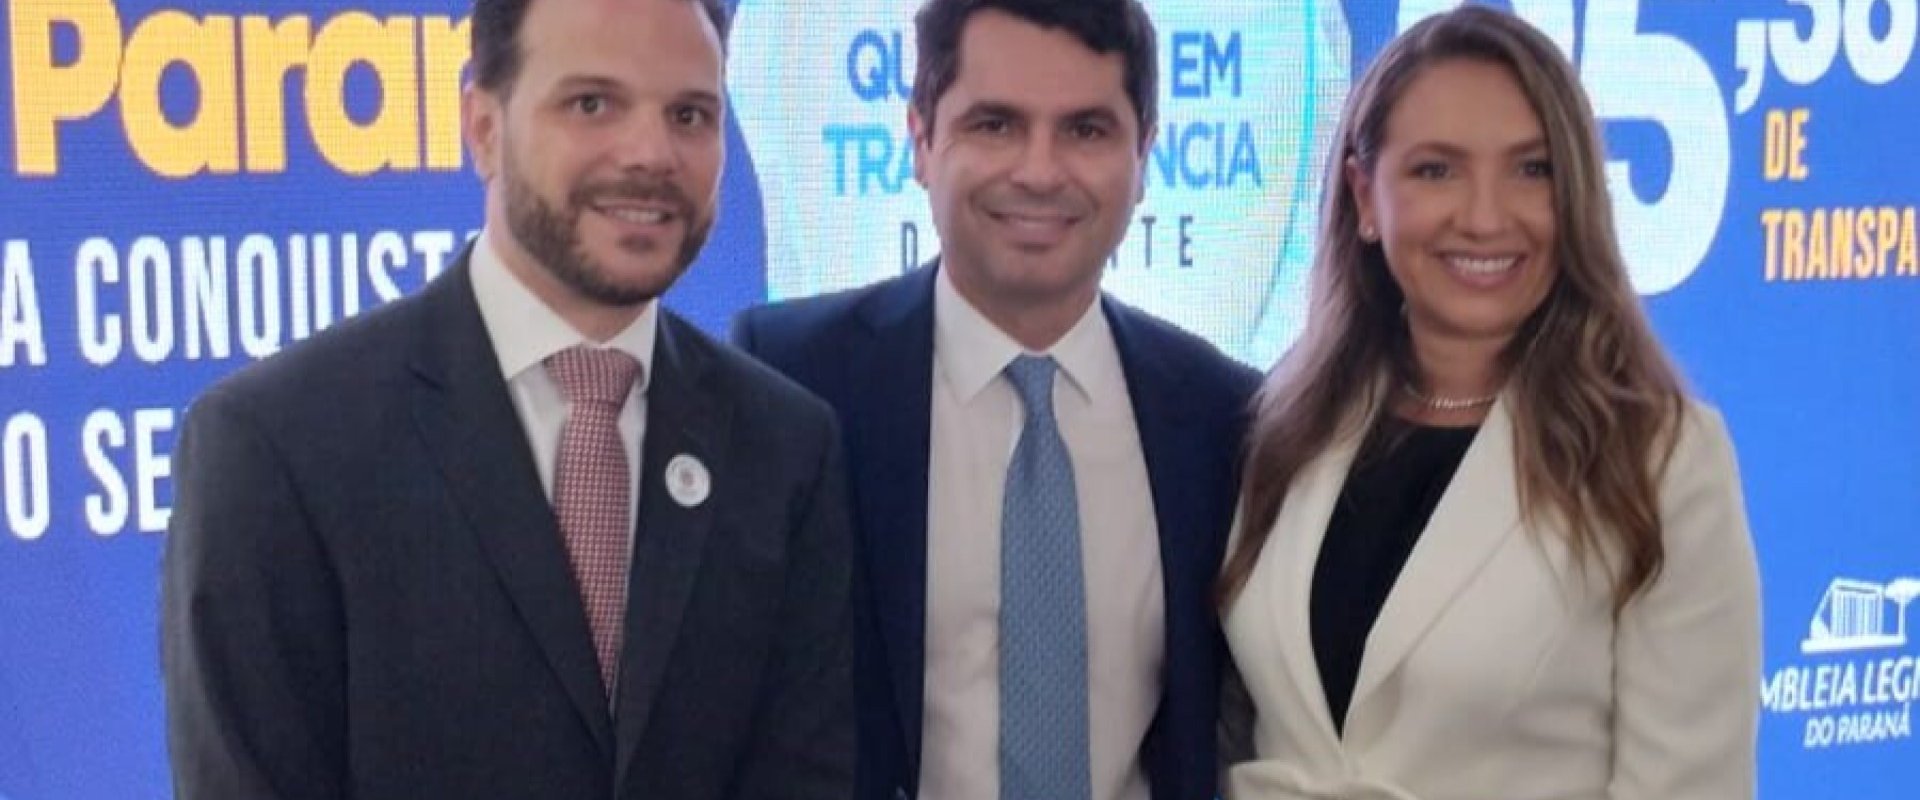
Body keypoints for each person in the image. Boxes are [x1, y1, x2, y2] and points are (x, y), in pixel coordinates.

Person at [160, 0, 855, 797]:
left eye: (690, 115)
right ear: (483, 127)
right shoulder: (278, 446)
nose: (651, 153)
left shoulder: (785, 446)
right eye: (591, 103)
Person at [1215, 7, 1761, 799]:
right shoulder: (1286, 425)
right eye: (1435, 170)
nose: (1483, 217)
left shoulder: (1661, 460)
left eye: (1531, 169)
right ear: (1365, 197)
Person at [732, 1, 1258, 798]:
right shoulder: (793, 378)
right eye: (995, 125)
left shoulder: (1222, 416)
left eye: (1086, 130)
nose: (1040, 171)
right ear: (920, 140)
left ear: (1144, 154)